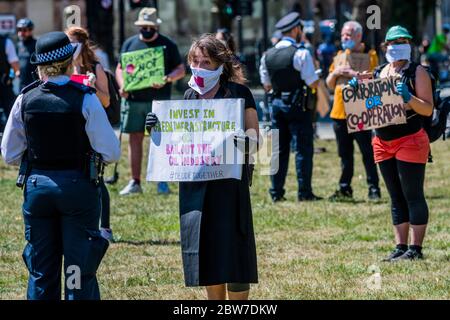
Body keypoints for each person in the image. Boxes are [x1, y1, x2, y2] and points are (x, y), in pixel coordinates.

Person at [0, 31, 121, 299]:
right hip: (78, 189)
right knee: (77, 270)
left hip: (37, 188)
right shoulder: (85, 98)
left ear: (40, 66)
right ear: (69, 62)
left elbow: (9, 154)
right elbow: (111, 153)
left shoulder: (25, 99)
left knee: (41, 271)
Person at [145, 34, 259, 300]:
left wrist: (246, 142)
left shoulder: (239, 94)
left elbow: (255, 139)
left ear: (220, 64)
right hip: (197, 185)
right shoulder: (188, 95)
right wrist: (158, 128)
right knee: (206, 246)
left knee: (234, 246)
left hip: (230, 184)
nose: (199, 67)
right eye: (195, 61)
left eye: (205, 62)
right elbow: (180, 139)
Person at [363, 26, 433, 261]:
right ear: (385, 47)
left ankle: (416, 249)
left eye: (402, 40)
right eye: (393, 42)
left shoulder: (417, 72)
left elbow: (427, 107)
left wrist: (409, 98)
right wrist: (359, 94)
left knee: (412, 193)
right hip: (382, 141)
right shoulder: (379, 72)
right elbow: (370, 108)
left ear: (410, 44)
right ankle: (400, 246)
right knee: (395, 195)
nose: (397, 45)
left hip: (410, 138)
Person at [115, 7, 185, 195]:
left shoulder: (168, 44)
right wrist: (122, 86)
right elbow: (120, 68)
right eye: (143, 26)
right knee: (134, 139)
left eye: (149, 26)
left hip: (159, 102)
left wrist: (168, 78)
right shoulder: (129, 44)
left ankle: (162, 181)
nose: (146, 29)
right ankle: (134, 181)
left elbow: (181, 69)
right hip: (134, 100)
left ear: (156, 27)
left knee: (160, 140)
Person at [259, 12, 322, 202]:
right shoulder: (301, 53)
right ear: (296, 30)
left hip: (277, 105)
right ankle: (304, 192)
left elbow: (267, 85)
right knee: (303, 149)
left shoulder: (267, 56)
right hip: (298, 106)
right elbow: (312, 83)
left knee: (278, 150)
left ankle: (276, 192)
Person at [65, 26, 113, 241]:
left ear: (82, 44)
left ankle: (105, 227)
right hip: (70, 126)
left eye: (74, 43)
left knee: (96, 177)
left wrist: (93, 86)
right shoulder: (63, 69)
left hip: (91, 126)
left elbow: (106, 101)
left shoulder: (95, 67)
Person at [325, 21, 381, 201]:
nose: (344, 38)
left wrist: (352, 73)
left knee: (367, 152)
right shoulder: (340, 55)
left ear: (358, 36)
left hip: (360, 112)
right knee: (344, 154)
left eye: (348, 35)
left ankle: (374, 188)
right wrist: (335, 73)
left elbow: (373, 80)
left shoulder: (370, 55)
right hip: (339, 113)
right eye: (342, 35)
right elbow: (329, 84)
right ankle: (345, 188)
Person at [0, 32, 20, 131]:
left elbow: (15, 66)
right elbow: (15, 66)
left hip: (4, 84)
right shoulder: (6, 42)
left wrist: (11, 77)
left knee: (11, 113)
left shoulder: (6, 42)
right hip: (5, 84)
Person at [16, 18, 37, 90]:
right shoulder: (18, 45)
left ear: (31, 30)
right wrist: (14, 72)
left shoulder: (36, 45)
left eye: (24, 30)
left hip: (34, 84)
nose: (21, 33)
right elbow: (14, 62)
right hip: (22, 84)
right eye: (19, 29)